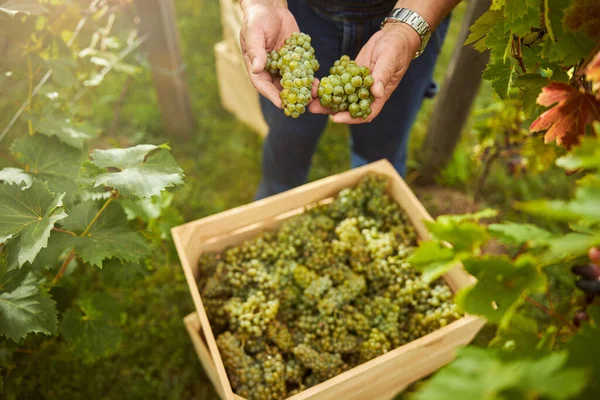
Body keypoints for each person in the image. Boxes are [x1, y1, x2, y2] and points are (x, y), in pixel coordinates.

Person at [239, 0, 460, 199]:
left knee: (380, 157)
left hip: (414, 9)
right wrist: (262, 4)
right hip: (298, 12)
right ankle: (274, 202)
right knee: (286, 143)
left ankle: (370, 213)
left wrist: (407, 28)